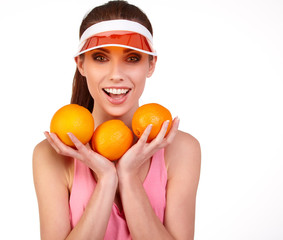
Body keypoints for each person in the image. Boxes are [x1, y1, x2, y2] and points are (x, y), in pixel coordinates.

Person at [33, 1, 201, 239]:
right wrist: (106, 179)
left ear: (151, 65)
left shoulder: (182, 149)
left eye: (132, 58)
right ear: (81, 64)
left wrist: (129, 177)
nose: (116, 75)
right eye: (100, 58)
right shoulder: (52, 153)